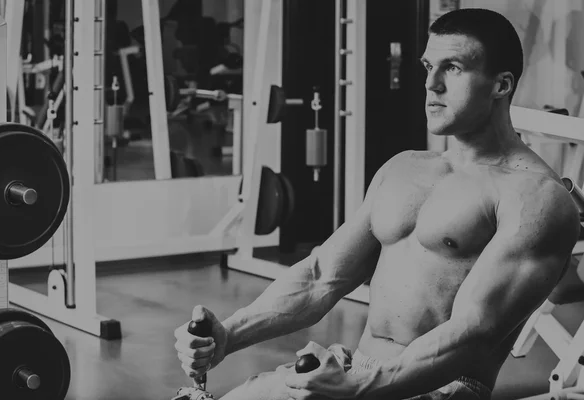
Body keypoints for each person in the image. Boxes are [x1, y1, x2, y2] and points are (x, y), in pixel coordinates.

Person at [174, 8, 581, 400]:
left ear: (501, 85)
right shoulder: (403, 169)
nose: (431, 84)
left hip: (437, 388)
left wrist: (358, 390)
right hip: (358, 371)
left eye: (453, 68)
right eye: (427, 67)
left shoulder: (537, 197)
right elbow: (320, 277)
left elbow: (475, 332)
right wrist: (229, 334)